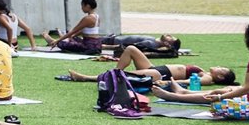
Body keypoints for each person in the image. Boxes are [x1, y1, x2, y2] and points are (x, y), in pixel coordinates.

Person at [67, 46, 233, 87]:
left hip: (162, 75)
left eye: (222, 69)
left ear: (220, 77)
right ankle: (113, 74)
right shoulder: (206, 72)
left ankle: (86, 78)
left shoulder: (209, 79)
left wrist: (167, 83)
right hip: (159, 68)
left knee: (128, 73)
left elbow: (188, 83)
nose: (218, 66)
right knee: (131, 49)